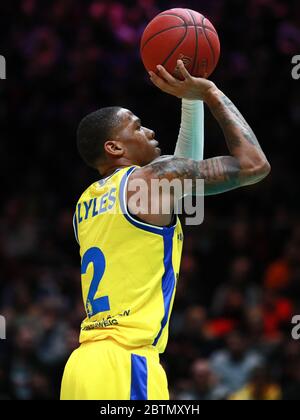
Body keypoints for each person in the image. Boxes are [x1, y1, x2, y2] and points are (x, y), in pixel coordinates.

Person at [60, 60, 271, 400]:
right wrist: (210, 93)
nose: (150, 132)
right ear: (115, 148)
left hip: (82, 367)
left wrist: (190, 98)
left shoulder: (85, 203)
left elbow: (180, 173)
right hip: (126, 362)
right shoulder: (151, 180)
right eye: (138, 127)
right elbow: (254, 165)